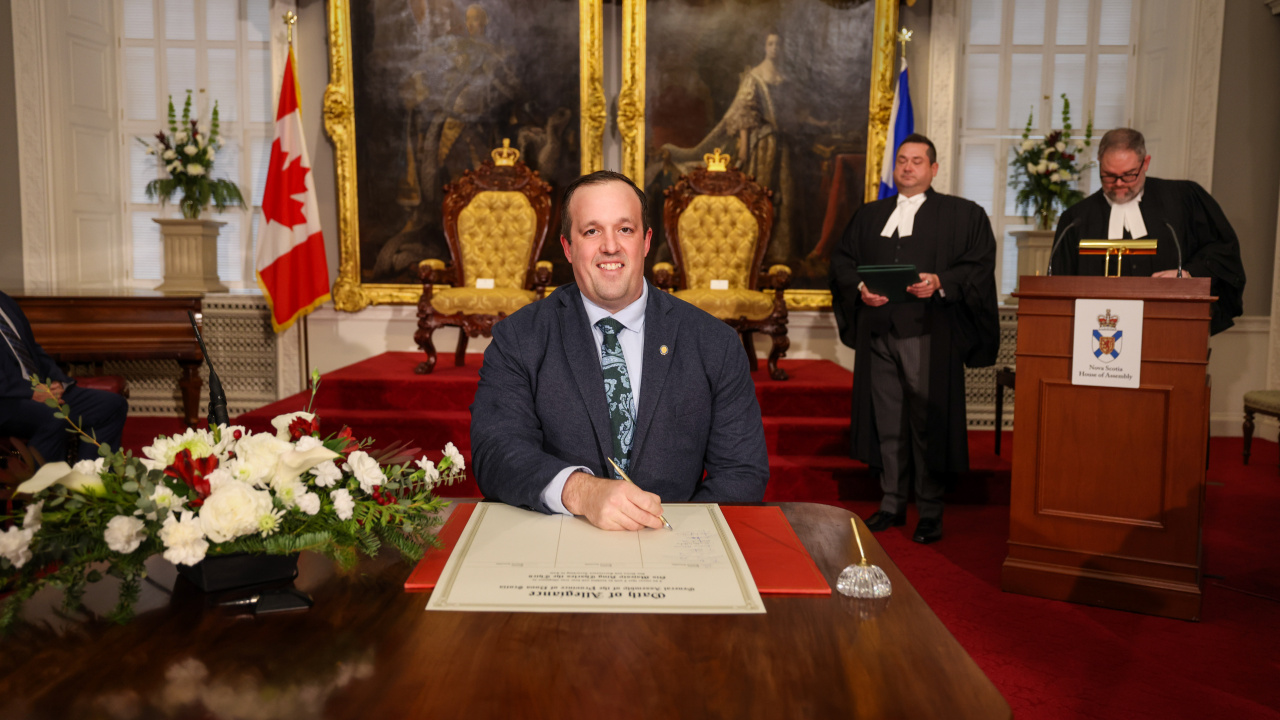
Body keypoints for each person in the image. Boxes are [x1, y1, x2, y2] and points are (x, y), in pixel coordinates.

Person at [470, 170, 770, 531]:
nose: (610, 246)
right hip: (557, 542)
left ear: (645, 242)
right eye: (592, 231)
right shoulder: (519, 338)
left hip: (676, 550)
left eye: (624, 230)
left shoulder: (714, 343)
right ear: (568, 247)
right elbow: (496, 452)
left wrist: (680, 541)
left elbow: (741, 472)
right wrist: (580, 491)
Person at [830, 134, 1000, 544]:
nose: (908, 167)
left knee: (927, 423)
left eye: (918, 161)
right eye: (902, 160)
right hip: (879, 335)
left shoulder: (962, 214)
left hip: (927, 333)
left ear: (934, 169)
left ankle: (928, 510)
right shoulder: (870, 215)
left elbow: (977, 265)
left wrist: (941, 281)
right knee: (888, 424)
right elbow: (842, 261)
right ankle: (891, 504)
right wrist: (859, 289)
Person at [1048, 127, 1245, 334]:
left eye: (1128, 175)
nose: (1119, 184)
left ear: (1146, 163)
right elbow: (1058, 289)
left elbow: (1223, 250)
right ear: (1099, 163)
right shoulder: (1076, 219)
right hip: (1097, 337)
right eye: (1108, 176)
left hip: (1172, 332)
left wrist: (1188, 274)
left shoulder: (1183, 199)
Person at [0, 291, 128, 464]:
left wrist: (57, 381)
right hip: (7, 399)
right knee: (52, 418)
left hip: (38, 388)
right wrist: (30, 393)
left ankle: (92, 482)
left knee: (111, 406)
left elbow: (32, 348)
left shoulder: (5, 300)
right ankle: (39, 488)